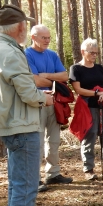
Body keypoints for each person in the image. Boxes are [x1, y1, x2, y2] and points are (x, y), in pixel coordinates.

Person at [0, 4, 53, 206]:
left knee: (18, 182)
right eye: (26, 25)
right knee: (26, 184)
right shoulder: (10, 52)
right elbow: (26, 92)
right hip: (20, 124)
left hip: (10, 122)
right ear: (21, 27)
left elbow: (16, 87)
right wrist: (43, 98)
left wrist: (35, 93)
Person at [25, 24, 73, 192]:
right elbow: (35, 81)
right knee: (36, 141)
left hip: (55, 102)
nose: (47, 40)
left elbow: (65, 76)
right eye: (43, 37)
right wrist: (54, 80)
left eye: (48, 37)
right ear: (33, 37)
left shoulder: (52, 55)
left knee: (53, 140)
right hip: (36, 102)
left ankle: (53, 173)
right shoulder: (26, 54)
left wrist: (46, 76)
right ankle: (34, 179)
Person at [69, 38, 103, 180]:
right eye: (91, 52)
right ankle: (89, 169)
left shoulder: (99, 68)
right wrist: (97, 93)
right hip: (87, 106)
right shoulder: (76, 68)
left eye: (96, 53)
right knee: (90, 135)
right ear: (83, 52)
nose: (94, 55)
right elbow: (78, 89)